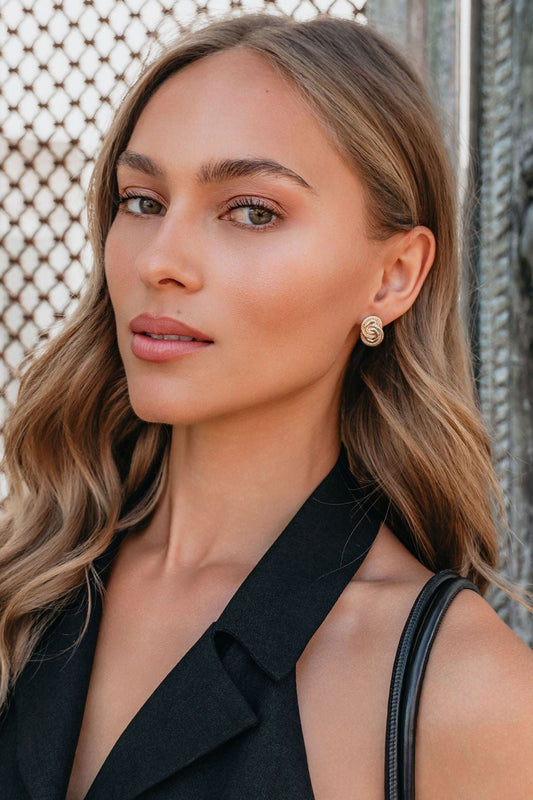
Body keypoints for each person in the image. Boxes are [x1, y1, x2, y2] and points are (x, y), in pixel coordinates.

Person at [0, 12, 532, 800]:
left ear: (392, 276)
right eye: (142, 201)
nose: (160, 261)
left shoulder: (460, 691)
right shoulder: (24, 588)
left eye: (251, 211)